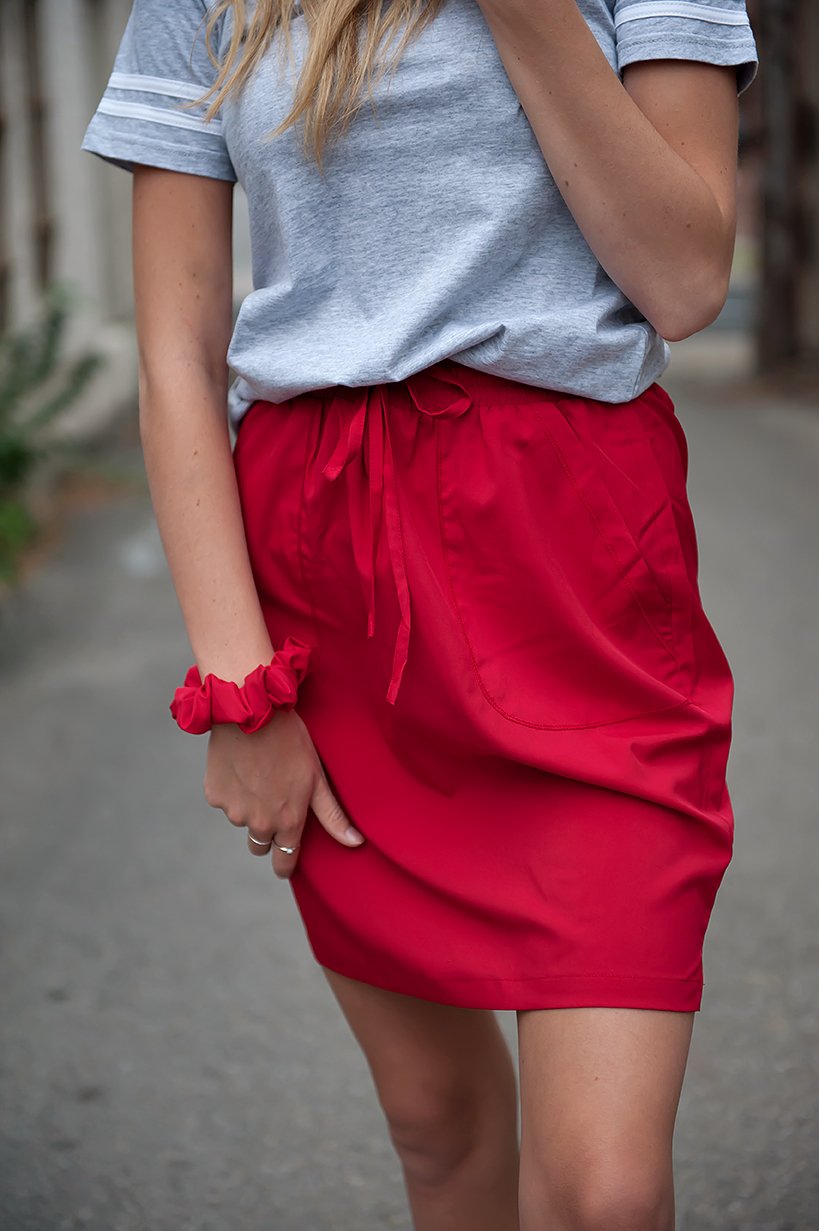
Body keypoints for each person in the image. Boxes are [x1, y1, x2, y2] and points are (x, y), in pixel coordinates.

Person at [81, 1, 759, 1227]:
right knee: (437, 1128)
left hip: (575, 588)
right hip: (329, 590)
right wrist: (240, 684)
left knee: (607, 1189)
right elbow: (176, 351)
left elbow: (687, 278)